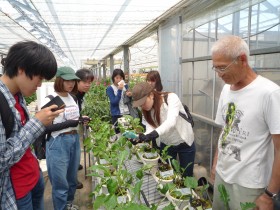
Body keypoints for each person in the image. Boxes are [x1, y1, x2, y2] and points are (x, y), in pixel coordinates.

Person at [210, 35, 280, 210]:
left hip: (249, 184)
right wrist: (216, 163)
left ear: (242, 60)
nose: (219, 75)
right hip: (222, 175)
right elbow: (225, 130)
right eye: (215, 68)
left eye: (222, 68)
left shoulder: (269, 93)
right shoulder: (226, 89)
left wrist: (270, 194)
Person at [0, 41, 63, 210]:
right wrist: (36, 123)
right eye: (39, 78)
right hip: (16, 193)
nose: (40, 84)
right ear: (21, 68)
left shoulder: (17, 96)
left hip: (33, 179)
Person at [131, 82, 196, 177]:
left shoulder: (171, 98)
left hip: (184, 141)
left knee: (186, 175)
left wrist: (153, 134)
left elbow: (171, 121)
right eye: (140, 105)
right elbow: (150, 126)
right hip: (167, 143)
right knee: (167, 173)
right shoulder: (146, 110)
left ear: (151, 95)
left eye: (143, 102)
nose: (142, 106)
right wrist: (143, 137)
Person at [45, 67, 81, 210]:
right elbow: (44, 127)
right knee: (60, 182)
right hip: (58, 141)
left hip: (74, 139)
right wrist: (68, 124)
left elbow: (74, 118)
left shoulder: (73, 98)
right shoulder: (51, 99)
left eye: (73, 80)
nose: (71, 83)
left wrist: (80, 120)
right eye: (67, 80)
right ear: (59, 80)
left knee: (72, 178)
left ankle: (68, 204)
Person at [74, 68, 94, 189]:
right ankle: (72, 180)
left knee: (76, 147)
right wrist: (79, 119)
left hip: (74, 125)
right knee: (72, 152)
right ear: (77, 81)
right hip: (66, 130)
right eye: (85, 82)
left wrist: (81, 117)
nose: (88, 85)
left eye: (89, 82)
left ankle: (76, 164)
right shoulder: (72, 94)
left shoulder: (80, 93)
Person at [106, 69, 132, 133]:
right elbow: (114, 102)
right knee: (118, 133)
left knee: (127, 133)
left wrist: (130, 95)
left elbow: (129, 100)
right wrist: (119, 90)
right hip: (117, 114)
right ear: (113, 78)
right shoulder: (110, 88)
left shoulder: (125, 86)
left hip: (126, 113)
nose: (119, 80)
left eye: (121, 78)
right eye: (117, 78)